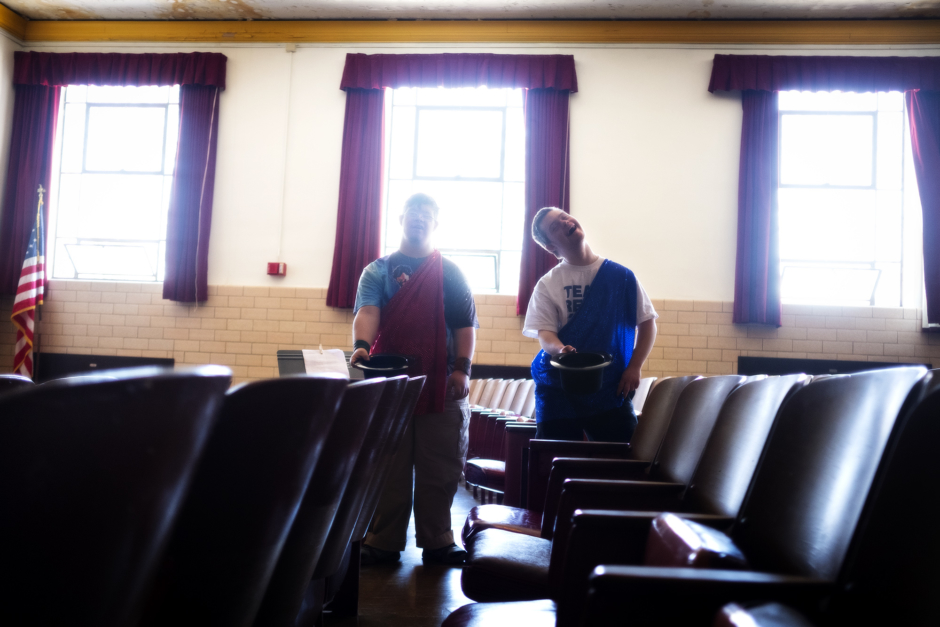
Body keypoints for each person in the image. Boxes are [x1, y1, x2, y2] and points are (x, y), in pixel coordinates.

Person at [351, 193, 478, 566]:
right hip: (391, 381)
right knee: (387, 462)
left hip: (442, 381)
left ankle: (438, 540)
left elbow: (465, 325)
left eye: (426, 214)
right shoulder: (377, 271)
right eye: (413, 213)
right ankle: (383, 541)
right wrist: (361, 346)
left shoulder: (450, 272)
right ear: (401, 218)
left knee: (441, 464)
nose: (419, 218)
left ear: (435, 223)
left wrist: (462, 368)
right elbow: (368, 311)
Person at [522, 207, 658, 442]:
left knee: (623, 459)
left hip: (611, 386)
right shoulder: (547, 284)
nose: (565, 222)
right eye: (555, 226)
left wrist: (635, 367)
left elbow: (648, 324)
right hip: (559, 388)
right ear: (551, 247)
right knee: (553, 457)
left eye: (564, 216)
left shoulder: (622, 277)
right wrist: (561, 350)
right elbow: (545, 333)